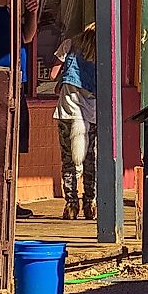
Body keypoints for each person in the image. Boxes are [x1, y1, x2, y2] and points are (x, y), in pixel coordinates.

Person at [49, 24, 98, 221]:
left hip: (67, 112)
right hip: (92, 115)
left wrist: (64, 78)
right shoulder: (104, 51)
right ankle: (90, 204)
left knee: (68, 160)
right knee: (91, 160)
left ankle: (71, 205)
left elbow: (52, 74)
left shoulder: (69, 44)